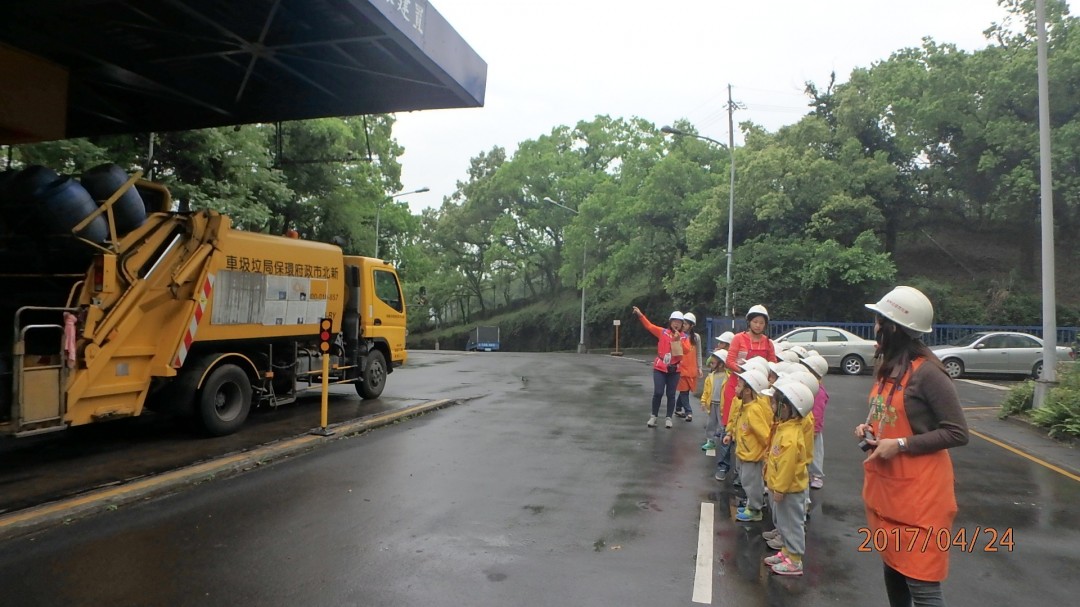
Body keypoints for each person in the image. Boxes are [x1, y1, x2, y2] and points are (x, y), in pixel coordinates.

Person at [856, 286, 969, 607]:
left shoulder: (930, 373)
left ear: (893, 327)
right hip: (890, 495)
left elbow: (958, 432)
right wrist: (869, 431)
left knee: (922, 585)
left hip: (921, 501)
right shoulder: (891, 367)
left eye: (879, 321)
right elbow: (888, 416)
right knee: (894, 571)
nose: (875, 327)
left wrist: (902, 444)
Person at [762, 380, 816, 576]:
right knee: (784, 523)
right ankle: (786, 552)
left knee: (793, 524)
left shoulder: (791, 435)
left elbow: (787, 466)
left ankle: (795, 560)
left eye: (775, 404)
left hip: (790, 490)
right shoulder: (784, 428)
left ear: (786, 408)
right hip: (783, 488)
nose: (772, 407)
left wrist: (780, 489)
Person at [724, 368, 774, 522]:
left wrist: (765, 454)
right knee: (747, 481)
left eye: (739, 386)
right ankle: (752, 505)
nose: (736, 388)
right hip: (744, 453)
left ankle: (755, 509)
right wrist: (731, 434)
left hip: (752, 456)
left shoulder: (754, 411)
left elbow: (765, 435)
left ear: (747, 391)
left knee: (751, 483)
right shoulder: (744, 407)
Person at [632, 307, 690, 429]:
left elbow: (686, 350)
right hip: (660, 366)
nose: (676, 324)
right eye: (674, 321)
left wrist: (678, 339)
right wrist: (640, 315)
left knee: (671, 394)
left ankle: (668, 417)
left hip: (675, 369)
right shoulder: (663, 332)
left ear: (682, 325)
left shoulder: (684, 337)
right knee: (658, 392)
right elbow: (649, 326)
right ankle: (654, 416)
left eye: (679, 322)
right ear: (670, 322)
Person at [799, 354, 830, 490]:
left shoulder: (818, 391)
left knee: (815, 452)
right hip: (807, 426)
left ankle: (816, 475)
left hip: (813, 428)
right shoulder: (809, 386)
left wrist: (816, 429)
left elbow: (817, 413)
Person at [725, 305, 777, 374]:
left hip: (759, 381)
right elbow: (729, 361)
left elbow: (773, 364)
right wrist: (743, 371)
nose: (758, 325)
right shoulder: (738, 338)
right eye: (755, 322)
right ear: (749, 322)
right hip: (737, 379)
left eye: (761, 323)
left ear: (765, 325)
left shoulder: (768, 342)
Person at [674, 312, 701, 422]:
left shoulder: (696, 337)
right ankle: (689, 412)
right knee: (684, 391)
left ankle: (678, 408)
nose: (683, 325)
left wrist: (699, 367)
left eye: (685, 323)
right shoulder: (677, 336)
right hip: (681, 368)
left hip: (692, 368)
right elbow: (675, 353)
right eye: (682, 323)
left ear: (691, 325)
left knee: (686, 390)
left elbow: (698, 353)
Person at [699, 349, 727, 451]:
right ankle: (710, 441)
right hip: (712, 404)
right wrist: (703, 401)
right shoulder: (710, 377)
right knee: (710, 423)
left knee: (722, 424)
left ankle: (724, 441)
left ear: (721, 364)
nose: (711, 364)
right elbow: (706, 391)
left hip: (722, 405)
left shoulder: (727, 377)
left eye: (713, 363)